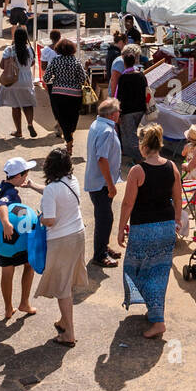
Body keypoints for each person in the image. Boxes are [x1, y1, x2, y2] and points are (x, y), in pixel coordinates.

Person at [118, 123, 184, 338]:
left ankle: (158, 321)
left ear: (143, 145)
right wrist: (176, 221)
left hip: (143, 228)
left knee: (134, 269)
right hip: (165, 227)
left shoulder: (137, 171)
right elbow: (177, 198)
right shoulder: (172, 167)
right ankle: (154, 311)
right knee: (158, 272)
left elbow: (127, 204)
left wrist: (120, 229)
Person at [37, 148, 89, 347]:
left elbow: (49, 220)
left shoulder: (52, 189)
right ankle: (63, 322)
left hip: (61, 240)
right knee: (66, 284)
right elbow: (57, 193)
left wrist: (39, 218)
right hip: (77, 235)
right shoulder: (72, 181)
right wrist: (34, 186)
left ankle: (69, 333)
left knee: (62, 288)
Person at [0, 156, 40, 320]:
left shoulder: (0, 187)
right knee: (29, 265)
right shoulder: (11, 192)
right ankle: (24, 303)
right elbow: (2, 205)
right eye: (25, 175)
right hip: (13, 236)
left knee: (7, 271)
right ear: (19, 176)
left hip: (0, 238)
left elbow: (12, 209)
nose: (26, 178)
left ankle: (8, 308)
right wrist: (6, 222)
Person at [85, 98, 123, 268]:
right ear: (113, 114)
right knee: (104, 219)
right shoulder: (107, 131)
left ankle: (103, 247)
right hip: (101, 183)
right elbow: (102, 159)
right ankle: (100, 255)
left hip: (97, 181)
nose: (120, 114)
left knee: (104, 217)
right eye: (119, 111)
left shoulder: (98, 124)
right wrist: (110, 184)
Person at [43, 39, 85, 156]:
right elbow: (83, 79)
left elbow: (46, 78)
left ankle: (68, 140)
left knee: (62, 118)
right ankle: (69, 138)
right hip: (75, 95)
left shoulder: (56, 61)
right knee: (72, 118)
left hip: (58, 94)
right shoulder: (76, 62)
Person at [0, 26, 38, 138]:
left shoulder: (9, 50)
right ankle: (29, 123)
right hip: (26, 81)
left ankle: (19, 131)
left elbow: (2, 66)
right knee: (28, 104)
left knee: (15, 107)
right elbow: (32, 63)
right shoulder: (30, 50)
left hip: (13, 80)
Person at [114, 46, 149, 162]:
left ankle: (139, 158)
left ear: (124, 63)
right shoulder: (141, 75)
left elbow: (120, 97)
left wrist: (118, 112)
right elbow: (146, 91)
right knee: (135, 134)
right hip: (140, 109)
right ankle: (138, 157)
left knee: (130, 136)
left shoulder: (123, 78)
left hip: (128, 111)